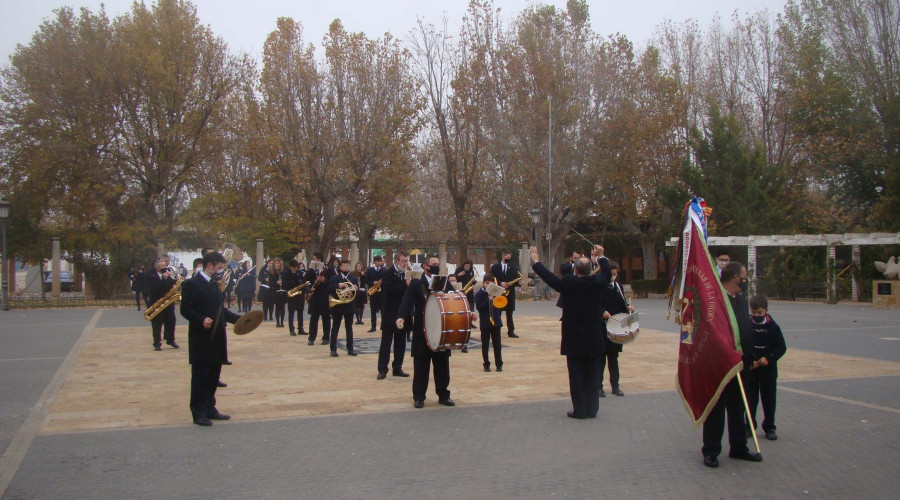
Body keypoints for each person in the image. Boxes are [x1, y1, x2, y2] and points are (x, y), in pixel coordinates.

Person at [529, 244, 609, 419]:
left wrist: (536, 261)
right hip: (594, 336)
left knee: (576, 376)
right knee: (593, 375)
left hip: (574, 338)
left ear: (575, 271)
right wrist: (601, 256)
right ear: (590, 270)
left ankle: (580, 410)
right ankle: (592, 409)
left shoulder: (569, 283)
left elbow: (549, 277)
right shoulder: (598, 283)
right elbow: (607, 273)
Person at [701, 261, 763, 468]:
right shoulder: (716, 299)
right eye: (744, 276)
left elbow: (744, 327)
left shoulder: (741, 298)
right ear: (735, 277)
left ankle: (739, 447)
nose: (746, 279)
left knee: (738, 406)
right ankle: (711, 450)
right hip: (720, 363)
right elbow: (712, 331)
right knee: (716, 407)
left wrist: (750, 354)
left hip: (742, 362)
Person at [179, 251, 241, 426]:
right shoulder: (192, 284)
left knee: (214, 375)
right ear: (209, 266)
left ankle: (210, 407)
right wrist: (200, 319)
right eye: (219, 268)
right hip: (202, 337)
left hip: (218, 336)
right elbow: (186, 309)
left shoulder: (215, 285)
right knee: (200, 376)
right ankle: (198, 412)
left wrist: (240, 320)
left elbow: (220, 310)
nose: (221, 271)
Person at [397, 254, 460, 408]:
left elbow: (456, 298)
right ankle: (419, 396)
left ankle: (443, 395)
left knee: (442, 366)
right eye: (433, 263)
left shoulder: (444, 282)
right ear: (425, 266)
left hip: (441, 329)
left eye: (438, 263)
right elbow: (407, 300)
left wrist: (469, 313)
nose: (436, 266)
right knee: (421, 366)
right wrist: (401, 317)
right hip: (422, 329)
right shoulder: (417, 283)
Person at [746, 295, 786, 441]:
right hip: (751, 370)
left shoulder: (773, 327)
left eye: (760, 313)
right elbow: (742, 345)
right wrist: (750, 360)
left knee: (768, 400)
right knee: (750, 401)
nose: (756, 316)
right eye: (754, 313)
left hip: (768, 371)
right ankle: (749, 426)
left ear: (766, 311)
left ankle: (769, 426)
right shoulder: (746, 325)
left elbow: (781, 347)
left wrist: (768, 358)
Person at [599, 262, 634, 397]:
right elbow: (594, 304)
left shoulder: (618, 287)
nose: (613, 277)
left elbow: (622, 305)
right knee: (600, 359)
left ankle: (615, 386)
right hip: (602, 326)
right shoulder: (599, 287)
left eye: (615, 274)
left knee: (614, 358)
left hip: (616, 327)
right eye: (611, 274)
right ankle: (599, 387)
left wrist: (629, 309)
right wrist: (602, 311)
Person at [376, 251, 411, 380]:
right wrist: (405, 284)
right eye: (403, 261)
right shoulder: (387, 273)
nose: (405, 264)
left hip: (403, 313)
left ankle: (397, 367)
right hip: (390, 313)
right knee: (386, 343)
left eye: (406, 261)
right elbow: (389, 291)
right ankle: (382, 369)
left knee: (400, 342)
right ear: (396, 261)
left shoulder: (407, 275)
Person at [145, 259, 180, 351]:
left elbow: (173, 285)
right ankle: (157, 343)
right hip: (157, 303)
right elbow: (155, 289)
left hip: (168, 304)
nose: (164, 267)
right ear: (157, 268)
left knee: (171, 322)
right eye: (162, 266)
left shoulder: (168, 276)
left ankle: (171, 340)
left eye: (165, 265)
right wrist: (164, 279)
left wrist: (176, 281)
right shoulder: (152, 277)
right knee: (157, 324)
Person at [328, 259, 359, 357]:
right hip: (338, 306)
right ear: (340, 267)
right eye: (344, 266)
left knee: (349, 328)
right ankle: (333, 349)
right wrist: (338, 285)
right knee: (335, 328)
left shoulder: (352, 279)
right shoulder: (335, 278)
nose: (346, 268)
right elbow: (329, 288)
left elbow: (356, 291)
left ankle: (350, 348)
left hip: (349, 306)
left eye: (347, 266)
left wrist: (355, 288)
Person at [474, 273, 503, 372]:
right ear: (483, 284)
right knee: (485, 344)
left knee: (497, 344)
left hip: (496, 322)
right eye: (487, 283)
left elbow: (500, 306)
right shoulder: (479, 294)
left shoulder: (496, 294)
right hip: (485, 323)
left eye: (491, 283)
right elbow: (480, 308)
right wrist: (489, 300)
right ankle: (486, 364)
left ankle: (499, 364)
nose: (488, 285)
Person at [490, 250, 520, 338]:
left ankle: (511, 331)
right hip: (498, 292)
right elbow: (491, 278)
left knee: (509, 313)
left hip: (510, 293)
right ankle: (496, 330)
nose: (509, 259)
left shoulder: (513, 267)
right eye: (507, 257)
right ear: (503, 256)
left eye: (510, 257)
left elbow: (516, 279)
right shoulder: (495, 267)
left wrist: (519, 283)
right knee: (497, 312)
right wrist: (500, 283)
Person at [305, 253, 332, 346]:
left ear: (319, 260)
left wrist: (324, 280)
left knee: (326, 317)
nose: (313, 260)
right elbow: (306, 281)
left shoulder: (328, 269)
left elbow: (332, 282)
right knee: (313, 318)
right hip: (314, 296)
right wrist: (309, 289)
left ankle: (326, 337)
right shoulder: (311, 270)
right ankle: (311, 338)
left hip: (324, 296)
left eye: (314, 258)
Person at [283, 259, 307, 336]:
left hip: (299, 295)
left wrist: (304, 292)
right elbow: (284, 284)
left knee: (300, 311)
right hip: (291, 294)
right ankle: (291, 329)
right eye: (294, 267)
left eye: (296, 267)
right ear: (291, 267)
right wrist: (294, 282)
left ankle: (300, 328)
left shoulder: (300, 272)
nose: (295, 269)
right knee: (291, 312)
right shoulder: (286, 273)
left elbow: (303, 283)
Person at [365, 256, 387, 332]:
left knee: (383, 310)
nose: (379, 263)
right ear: (375, 262)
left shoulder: (384, 270)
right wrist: (373, 282)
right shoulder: (370, 270)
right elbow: (366, 280)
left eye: (380, 261)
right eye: (378, 261)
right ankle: (373, 326)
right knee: (373, 311)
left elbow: (387, 279)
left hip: (382, 293)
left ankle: (383, 326)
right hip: (373, 293)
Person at [270, 258, 287, 327]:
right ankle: (277, 322)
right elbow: (270, 282)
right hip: (275, 290)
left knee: (282, 307)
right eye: (276, 263)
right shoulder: (271, 272)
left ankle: (282, 322)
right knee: (277, 307)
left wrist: (283, 282)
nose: (277, 265)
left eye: (278, 263)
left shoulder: (283, 272)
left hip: (282, 291)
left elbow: (286, 280)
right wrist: (276, 282)